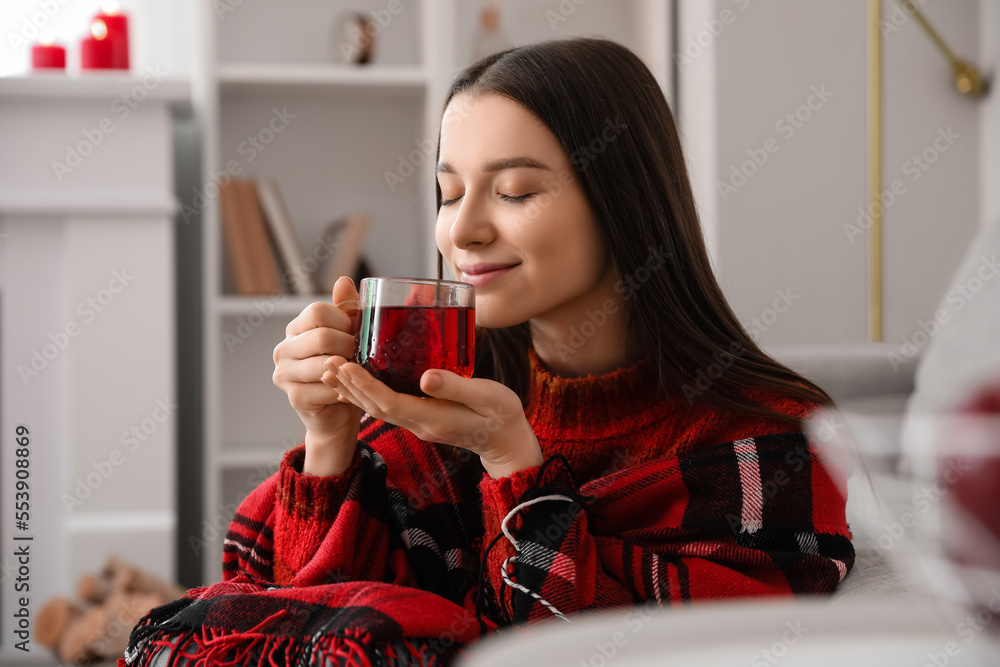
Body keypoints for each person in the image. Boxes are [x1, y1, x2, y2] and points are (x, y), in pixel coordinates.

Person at [122, 38, 854, 667]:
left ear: (625, 202)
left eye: (512, 191)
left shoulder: (770, 439)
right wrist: (328, 442)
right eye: (448, 193)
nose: (460, 232)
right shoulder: (426, 413)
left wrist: (512, 466)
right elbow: (296, 617)